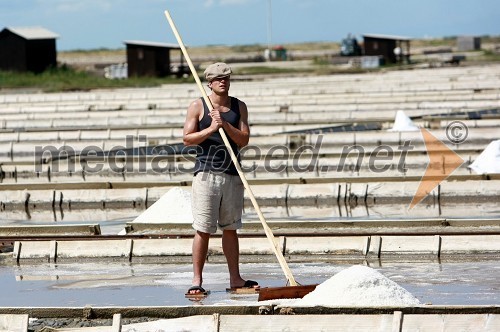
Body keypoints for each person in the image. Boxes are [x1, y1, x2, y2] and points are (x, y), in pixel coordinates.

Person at [183, 62, 259, 296]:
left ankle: (235, 278)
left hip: (232, 174)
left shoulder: (239, 106)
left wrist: (224, 124)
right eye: (217, 79)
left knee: (231, 228)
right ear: (209, 83)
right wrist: (211, 128)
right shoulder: (198, 105)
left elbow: (244, 139)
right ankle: (197, 280)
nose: (222, 81)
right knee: (203, 229)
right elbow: (187, 138)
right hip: (206, 174)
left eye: (226, 77)